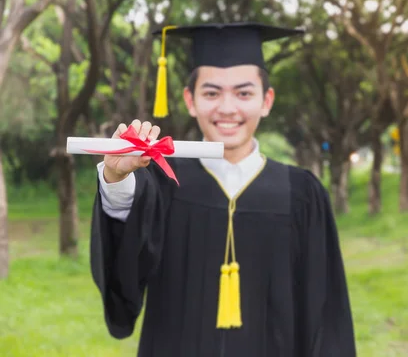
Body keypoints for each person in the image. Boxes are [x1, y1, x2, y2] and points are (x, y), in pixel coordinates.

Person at [90, 22, 357, 357]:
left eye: (244, 93)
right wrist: (116, 179)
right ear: (190, 100)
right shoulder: (162, 184)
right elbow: (125, 266)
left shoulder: (302, 194)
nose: (228, 108)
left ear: (266, 101)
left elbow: (326, 311)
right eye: (212, 93)